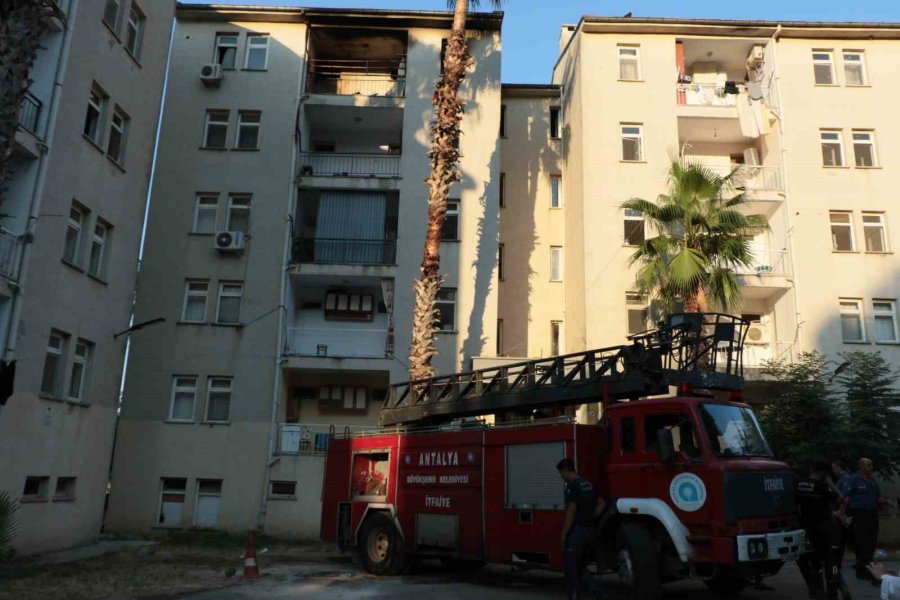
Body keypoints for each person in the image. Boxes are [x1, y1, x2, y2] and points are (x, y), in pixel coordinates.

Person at [557, 458, 608, 600]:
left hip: (577, 532)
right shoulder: (588, 483)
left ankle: (573, 596)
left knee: (570, 568)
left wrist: (564, 533)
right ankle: (600, 593)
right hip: (590, 531)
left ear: (566, 470)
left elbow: (572, 510)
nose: (560, 476)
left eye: (561, 473)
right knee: (580, 568)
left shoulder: (573, 485)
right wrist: (591, 517)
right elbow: (602, 503)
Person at [846, 458, 893, 582]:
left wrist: (887, 501)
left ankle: (865, 569)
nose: (871, 467)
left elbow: (878, 497)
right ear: (861, 466)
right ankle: (865, 570)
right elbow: (845, 498)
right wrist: (845, 515)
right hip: (859, 514)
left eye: (871, 465)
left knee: (871, 543)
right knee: (862, 543)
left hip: (872, 514)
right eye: (868, 465)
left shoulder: (872, 481)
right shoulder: (854, 480)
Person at [796, 462, 833, 599]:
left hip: (803, 526)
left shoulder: (799, 483)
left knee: (803, 559)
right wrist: (831, 485)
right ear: (824, 473)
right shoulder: (822, 486)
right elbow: (838, 499)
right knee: (821, 559)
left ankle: (812, 588)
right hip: (820, 527)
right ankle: (822, 589)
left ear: (811, 469)